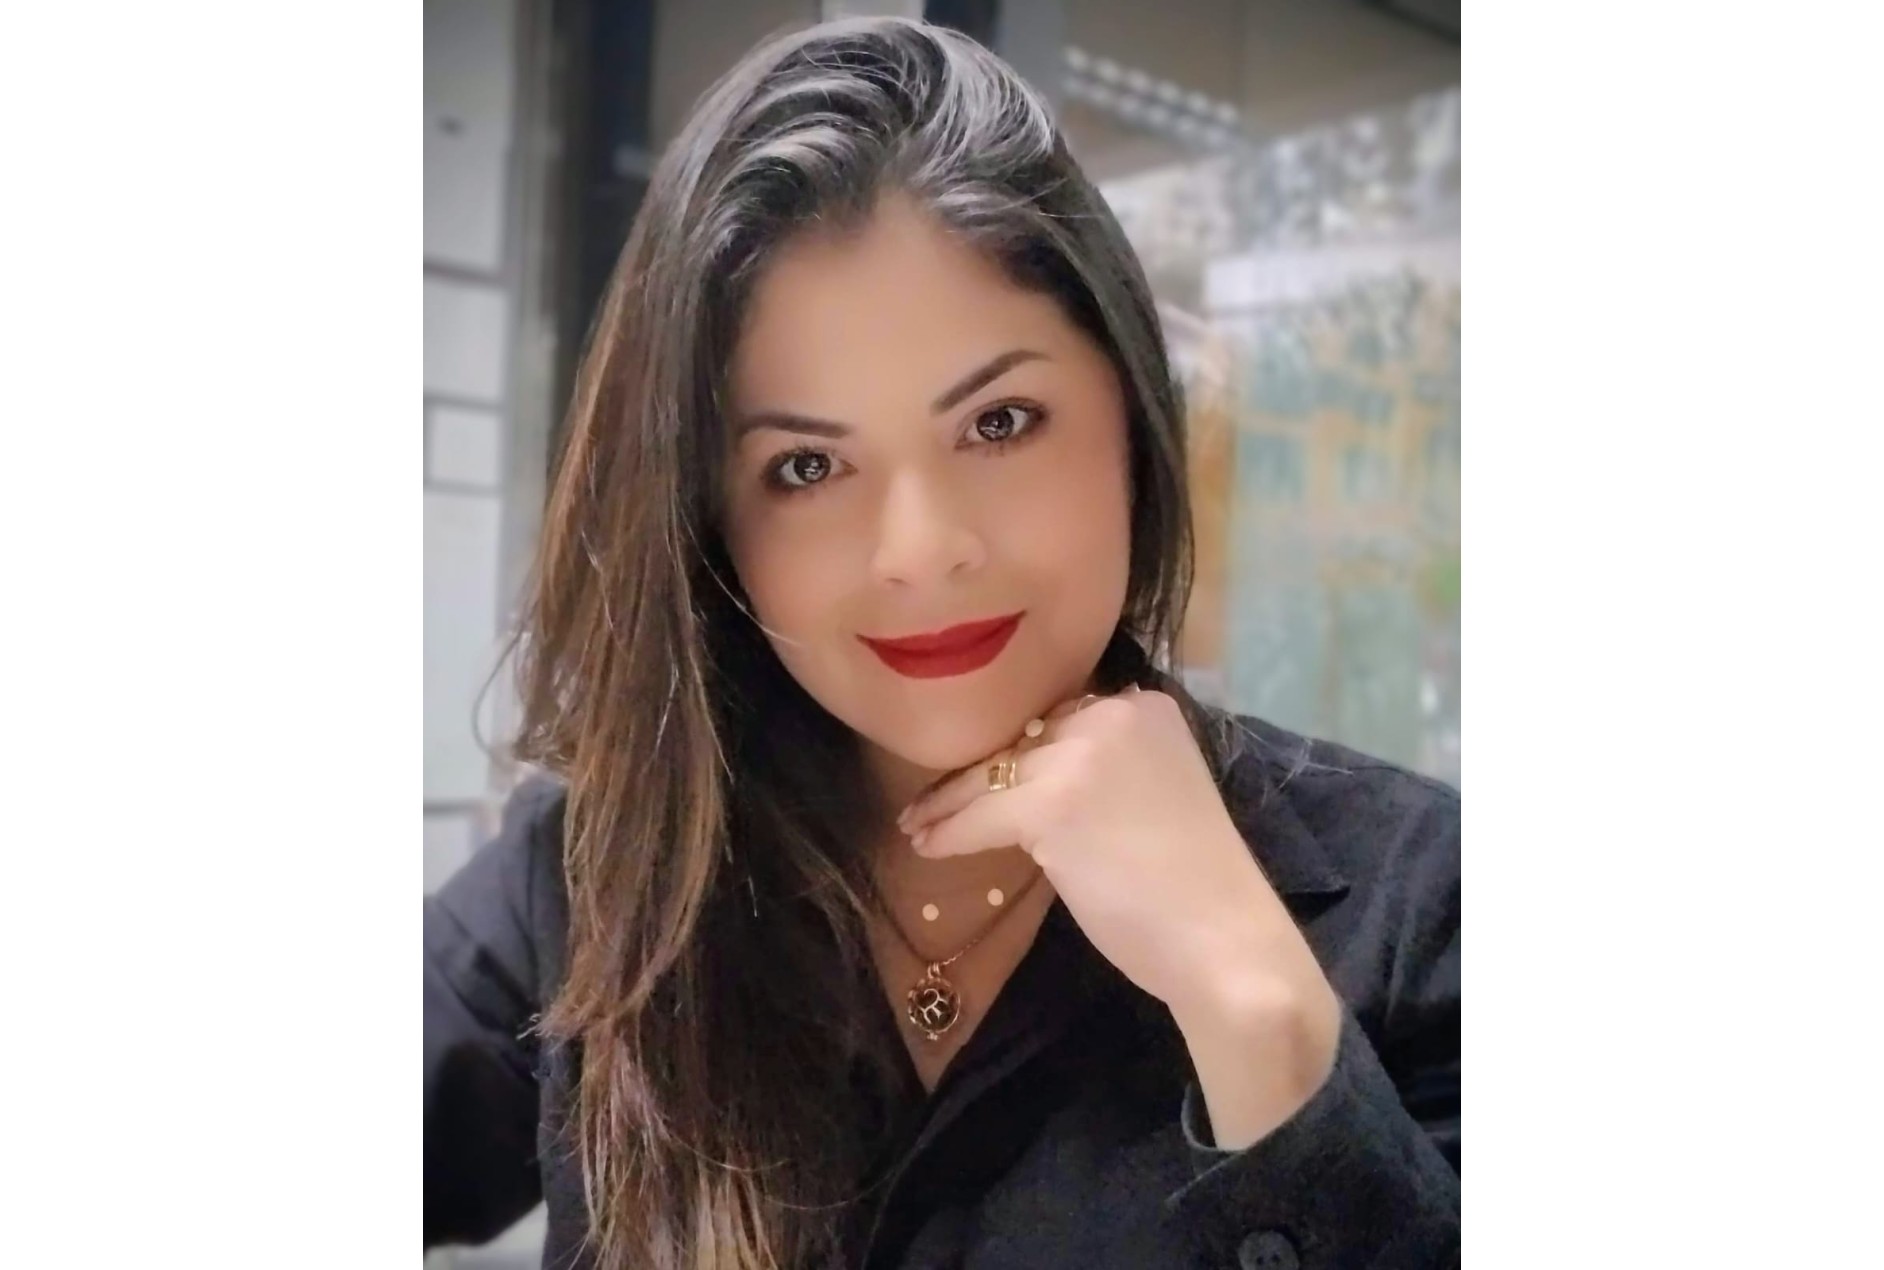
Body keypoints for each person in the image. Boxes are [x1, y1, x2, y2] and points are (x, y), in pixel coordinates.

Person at [424, 16, 1460, 1270]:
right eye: (806, 466)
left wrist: (1257, 1005)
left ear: (1131, 418)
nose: (918, 551)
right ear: (711, 526)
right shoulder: (606, 866)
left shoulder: (1425, 899)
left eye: (1000, 421)